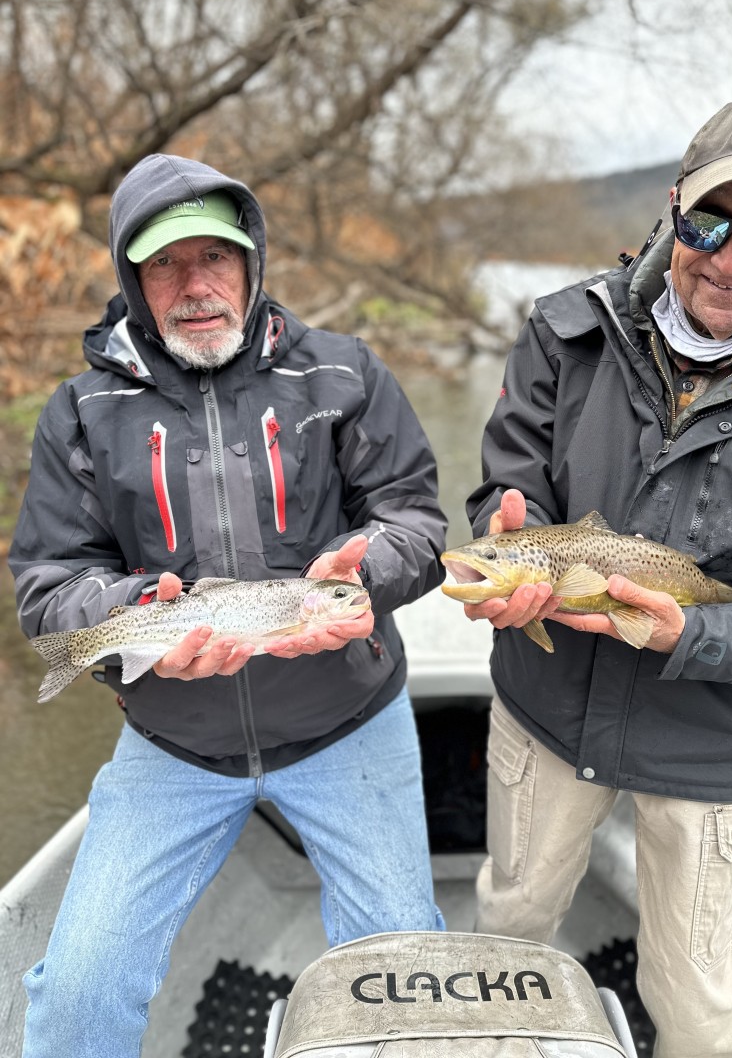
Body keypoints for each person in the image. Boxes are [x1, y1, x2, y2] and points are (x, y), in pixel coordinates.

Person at [456, 94, 732, 1057]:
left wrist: (692, 634)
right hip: (546, 710)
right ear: (673, 207)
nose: (731, 258)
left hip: (720, 748)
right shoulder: (564, 331)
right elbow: (507, 484)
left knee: (696, 999)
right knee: (507, 922)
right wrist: (502, 525)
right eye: (710, 222)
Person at [10, 154, 448, 1057]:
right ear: (135, 280)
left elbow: (417, 520)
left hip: (347, 723)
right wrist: (137, 619)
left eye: (216, 257)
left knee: (406, 989)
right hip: (176, 741)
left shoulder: (343, 374)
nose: (195, 285)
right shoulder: (82, 412)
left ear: (253, 265)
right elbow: (49, 582)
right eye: (167, 264)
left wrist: (370, 573)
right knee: (75, 1000)